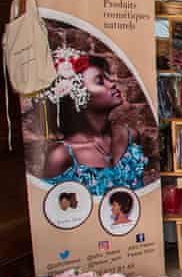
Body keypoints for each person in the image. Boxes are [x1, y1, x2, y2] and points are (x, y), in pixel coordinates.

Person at [41, 50, 147, 197]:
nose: (112, 84)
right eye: (99, 81)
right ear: (78, 98)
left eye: (107, 77)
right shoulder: (61, 156)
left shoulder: (131, 137)